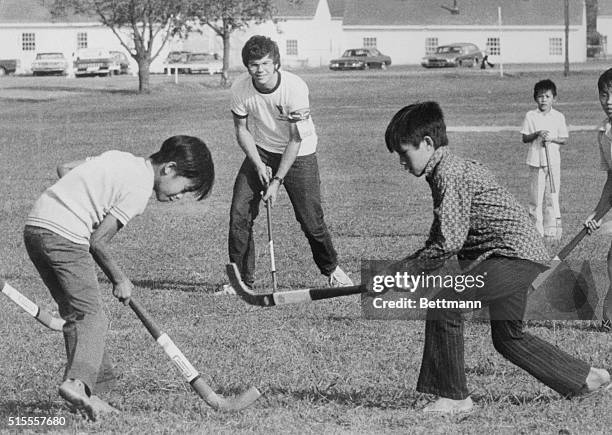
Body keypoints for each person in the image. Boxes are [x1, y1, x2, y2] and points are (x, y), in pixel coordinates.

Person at [384, 101, 610, 414]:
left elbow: (448, 242)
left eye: (404, 153)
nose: (402, 163)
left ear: (427, 144)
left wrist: (403, 271)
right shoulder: (447, 169)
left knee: (444, 304)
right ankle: (587, 377)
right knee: (508, 338)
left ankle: (454, 397)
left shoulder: (449, 174)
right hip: (517, 255)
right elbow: (443, 237)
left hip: (512, 257)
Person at [23, 136, 215, 420]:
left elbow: (65, 168)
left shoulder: (120, 157)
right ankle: (77, 383)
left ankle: (90, 395)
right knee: (91, 316)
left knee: (77, 314)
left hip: (36, 227)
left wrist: (86, 202)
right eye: (185, 188)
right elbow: (98, 241)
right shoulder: (139, 189)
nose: (180, 197)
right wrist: (120, 279)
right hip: (64, 236)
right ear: (169, 168)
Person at [223, 35, 352, 293]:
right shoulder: (240, 88)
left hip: (299, 153)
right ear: (247, 66)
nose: (260, 70)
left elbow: (295, 139)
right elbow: (242, 130)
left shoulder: (295, 88)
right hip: (262, 150)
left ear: (276, 64)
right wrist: (258, 164)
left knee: (310, 221)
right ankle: (240, 282)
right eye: (253, 64)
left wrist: (276, 181)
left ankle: (332, 270)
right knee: (239, 214)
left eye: (265, 63)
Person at [521, 79, 568, 240]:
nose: (544, 100)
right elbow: (525, 137)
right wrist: (537, 134)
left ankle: (551, 229)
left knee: (551, 196)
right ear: (535, 98)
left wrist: (552, 139)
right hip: (536, 162)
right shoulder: (531, 116)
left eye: (547, 96)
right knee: (536, 199)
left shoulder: (558, 116)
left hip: (553, 161)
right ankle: (536, 230)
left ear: (554, 98)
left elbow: (564, 138)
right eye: (540, 96)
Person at [584, 67, 612, 332]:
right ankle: (608, 321)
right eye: (604, 95)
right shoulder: (603, 132)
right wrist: (596, 214)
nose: (609, 102)